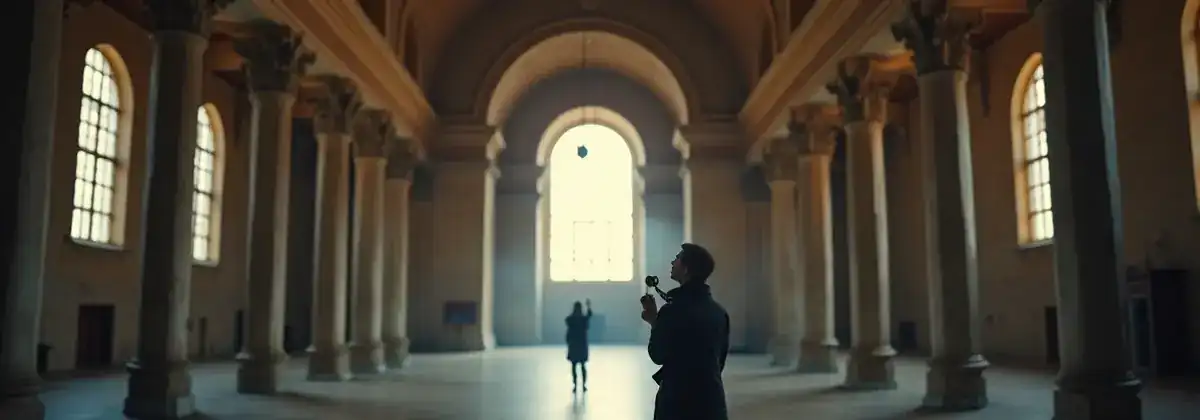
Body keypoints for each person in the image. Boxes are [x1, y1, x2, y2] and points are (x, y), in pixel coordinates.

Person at [640, 243, 730, 420]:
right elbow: (719, 361)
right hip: (711, 401)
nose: (673, 262)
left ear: (687, 269)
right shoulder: (719, 312)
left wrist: (653, 321)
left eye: (678, 258)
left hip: (677, 404)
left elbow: (657, 354)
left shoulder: (673, 310)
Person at [565, 299, 593, 392]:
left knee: (574, 366)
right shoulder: (583, 320)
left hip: (573, 344)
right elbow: (589, 316)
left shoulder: (570, 320)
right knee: (582, 366)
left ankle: (575, 385)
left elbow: (568, 331)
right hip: (581, 345)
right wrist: (588, 306)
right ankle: (583, 385)